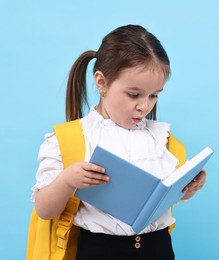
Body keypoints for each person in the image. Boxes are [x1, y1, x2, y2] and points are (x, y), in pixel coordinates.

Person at [31, 24, 207, 259]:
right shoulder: (71, 139)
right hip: (100, 251)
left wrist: (188, 189)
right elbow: (44, 210)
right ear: (101, 83)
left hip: (158, 248)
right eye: (134, 94)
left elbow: (161, 201)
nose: (144, 106)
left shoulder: (163, 141)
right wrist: (68, 180)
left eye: (154, 95)